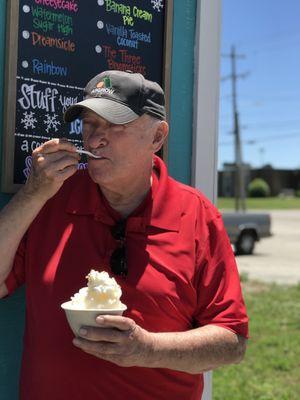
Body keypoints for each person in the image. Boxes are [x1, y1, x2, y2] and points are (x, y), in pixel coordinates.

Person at [0, 70, 248, 400]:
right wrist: (31, 194)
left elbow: (231, 341)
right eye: (89, 123)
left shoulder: (197, 216)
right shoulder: (52, 199)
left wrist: (147, 349)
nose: (94, 140)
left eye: (115, 125)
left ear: (157, 137)